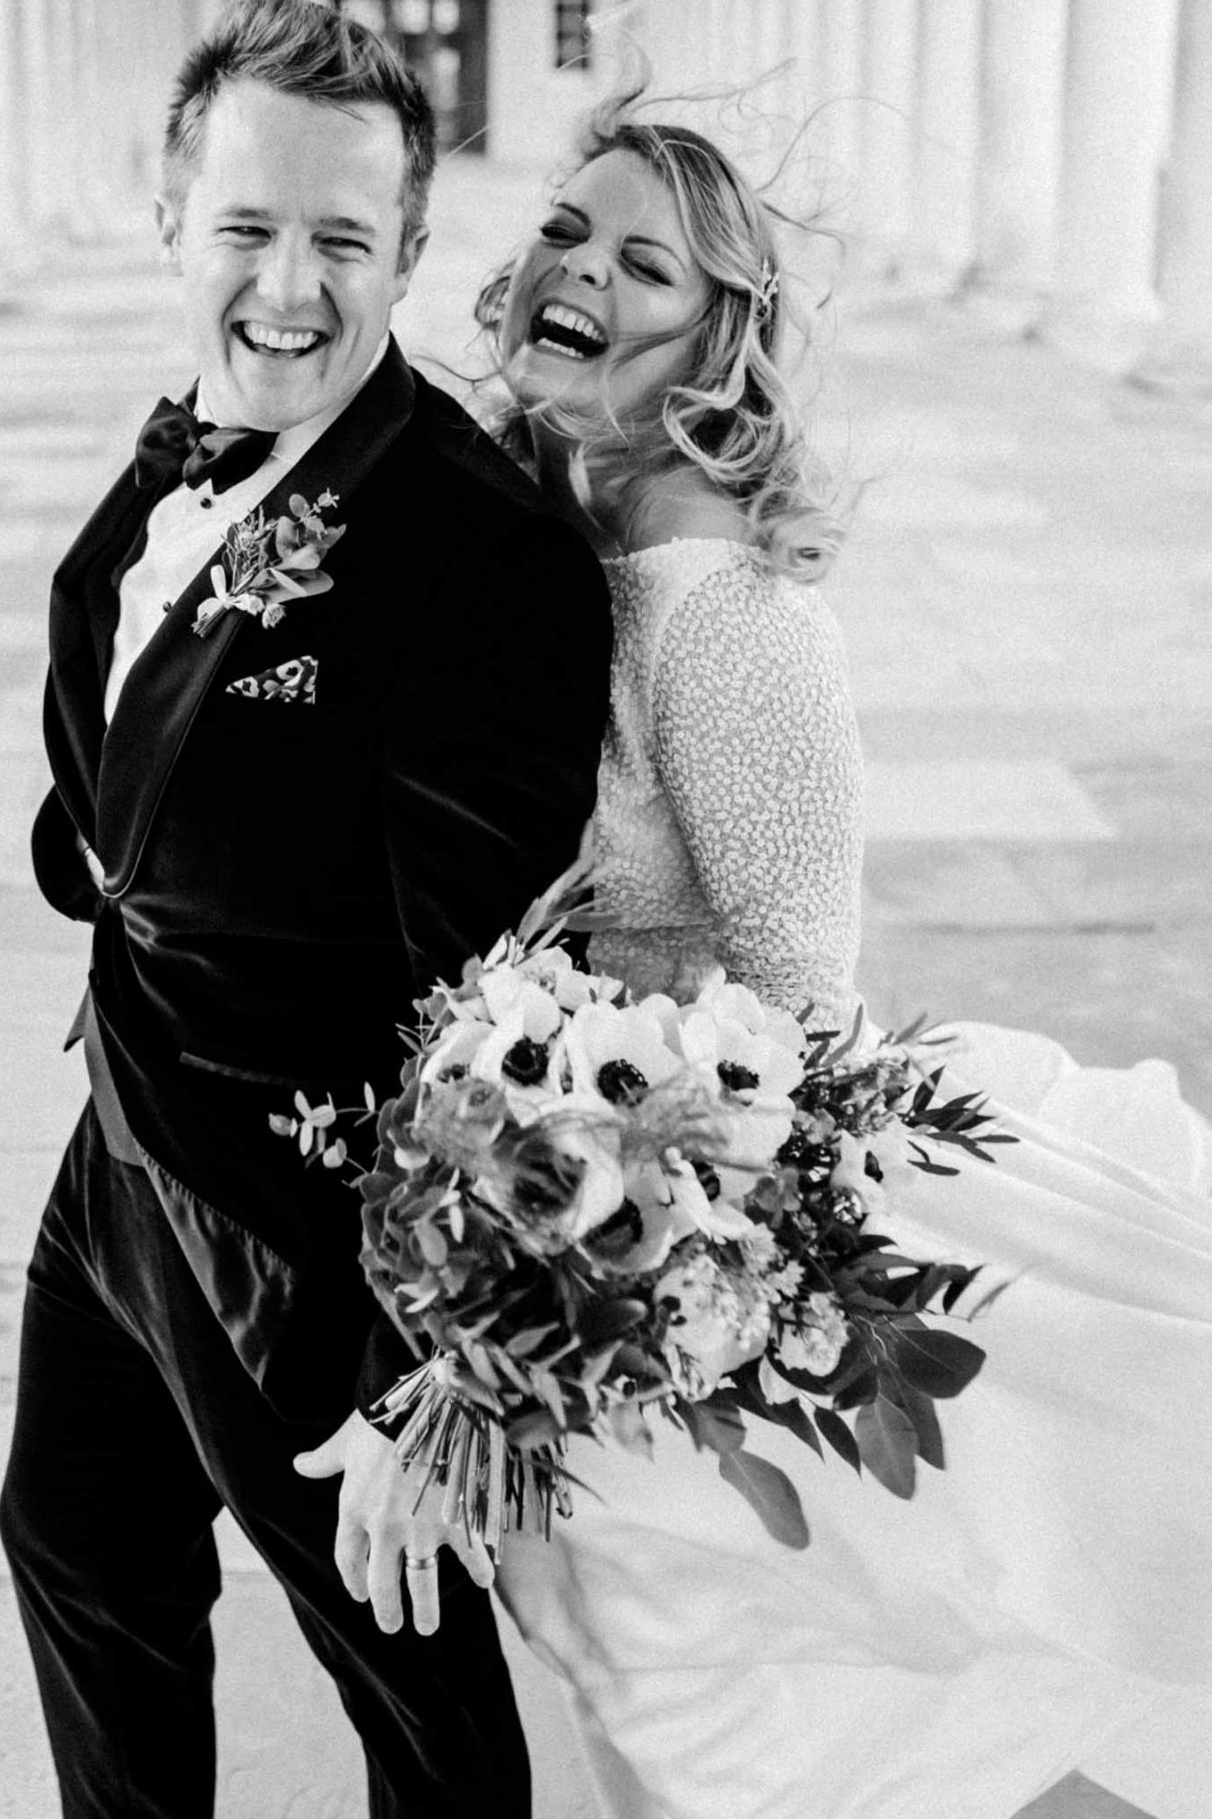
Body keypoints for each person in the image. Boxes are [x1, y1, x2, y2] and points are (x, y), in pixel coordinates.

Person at [478, 92, 1212, 1819]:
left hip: (710, 1229)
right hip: (586, 1203)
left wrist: (631, 1228)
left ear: (712, 339)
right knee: (658, 1672)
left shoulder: (730, 624)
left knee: (720, 1695)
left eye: (642, 261)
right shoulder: (580, 540)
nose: (577, 273)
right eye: (567, 232)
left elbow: (799, 1016)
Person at [1, 0, 612, 1819]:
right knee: (81, 1547)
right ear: (170, 220)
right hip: (123, 1134)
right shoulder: (179, 444)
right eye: (250, 227)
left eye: (343, 237)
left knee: (407, 1676)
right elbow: (112, 760)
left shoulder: (478, 556)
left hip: (307, 1232)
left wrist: (444, 1366)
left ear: (411, 249)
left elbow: (490, 1002)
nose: (292, 283)